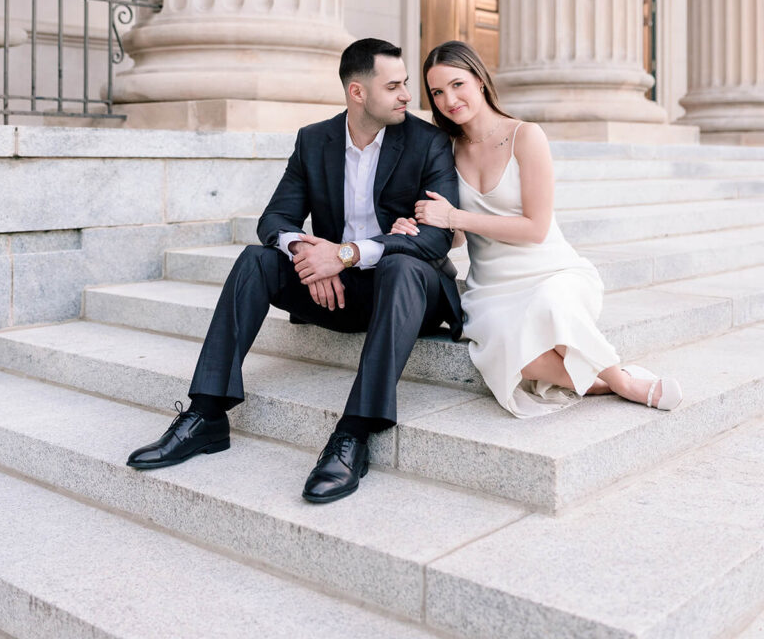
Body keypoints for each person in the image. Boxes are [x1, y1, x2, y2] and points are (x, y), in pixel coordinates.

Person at [127, 38, 462, 501]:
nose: (407, 94)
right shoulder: (313, 140)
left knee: (402, 267)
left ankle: (353, 435)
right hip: (335, 292)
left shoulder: (428, 143)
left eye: (405, 84)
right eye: (394, 86)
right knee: (256, 260)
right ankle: (206, 415)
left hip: (407, 295)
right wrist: (309, 254)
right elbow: (274, 220)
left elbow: (435, 239)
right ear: (357, 92)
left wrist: (344, 254)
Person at [390, 40, 682, 418]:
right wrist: (421, 224)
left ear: (479, 79)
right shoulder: (445, 149)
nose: (449, 99)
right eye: (437, 92)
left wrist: (453, 217)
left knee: (549, 305)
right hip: (492, 287)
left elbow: (536, 228)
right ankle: (603, 383)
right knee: (510, 351)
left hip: (551, 270)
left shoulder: (526, 136)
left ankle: (625, 382)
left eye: (457, 84)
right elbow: (457, 236)